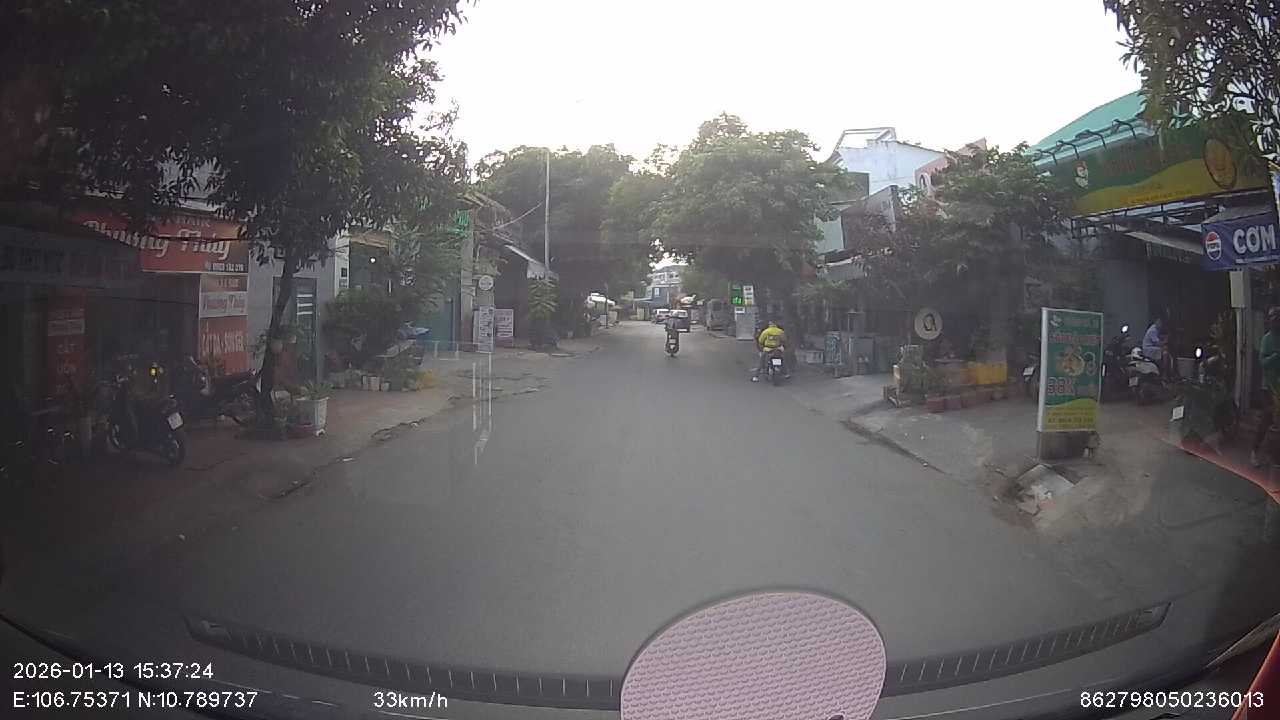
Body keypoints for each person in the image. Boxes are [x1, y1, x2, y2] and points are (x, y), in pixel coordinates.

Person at [1252, 308, 1280, 466]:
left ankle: (1274, 455)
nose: (1275, 322)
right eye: (1272, 319)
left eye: (1277, 319)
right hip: (1268, 387)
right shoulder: (1267, 339)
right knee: (1267, 418)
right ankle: (1254, 451)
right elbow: (1262, 362)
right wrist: (1276, 356)